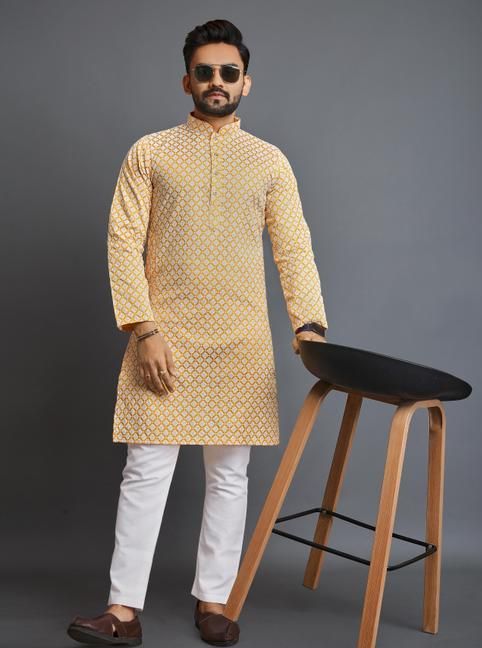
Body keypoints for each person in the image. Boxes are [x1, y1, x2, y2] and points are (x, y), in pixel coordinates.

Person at [67, 18, 328, 647]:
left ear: (246, 83)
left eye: (228, 72)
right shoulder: (150, 152)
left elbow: (293, 247)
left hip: (241, 343)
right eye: (205, 71)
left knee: (230, 477)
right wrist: (144, 329)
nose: (217, 81)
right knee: (145, 471)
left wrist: (310, 326)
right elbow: (123, 243)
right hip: (163, 340)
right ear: (186, 80)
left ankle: (215, 601)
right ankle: (123, 611)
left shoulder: (269, 161)